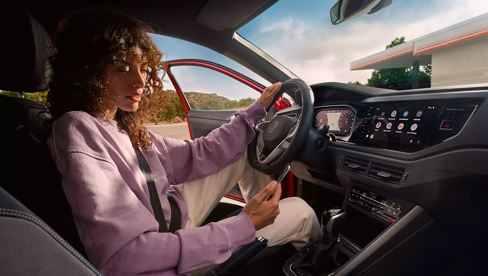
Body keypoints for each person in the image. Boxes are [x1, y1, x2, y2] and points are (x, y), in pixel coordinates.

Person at [45, 8, 321, 276]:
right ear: (86, 71)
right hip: (161, 257)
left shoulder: (121, 127)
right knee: (303, 212)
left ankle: (263, 224)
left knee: (245, 146)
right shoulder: (78, 129)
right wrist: (242, 226)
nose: (140, 81)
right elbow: (123, 258)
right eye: (122, 68)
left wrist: (255, 111)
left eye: (142, 68)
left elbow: (199, 153)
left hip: (171, 219)